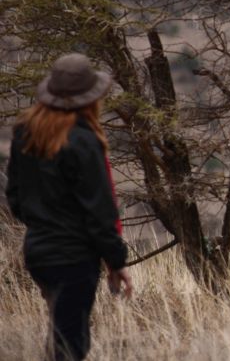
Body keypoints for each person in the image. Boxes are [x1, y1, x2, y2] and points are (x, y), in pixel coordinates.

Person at [4, 53, 133, 361]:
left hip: (37, 252)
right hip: (75, 257)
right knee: (71, 345)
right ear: (89, 98)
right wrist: (116, 260)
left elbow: (15, 198)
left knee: (61, 335)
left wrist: (44, 224)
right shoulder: (84, 141)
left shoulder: (25, 133)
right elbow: (100, 210)